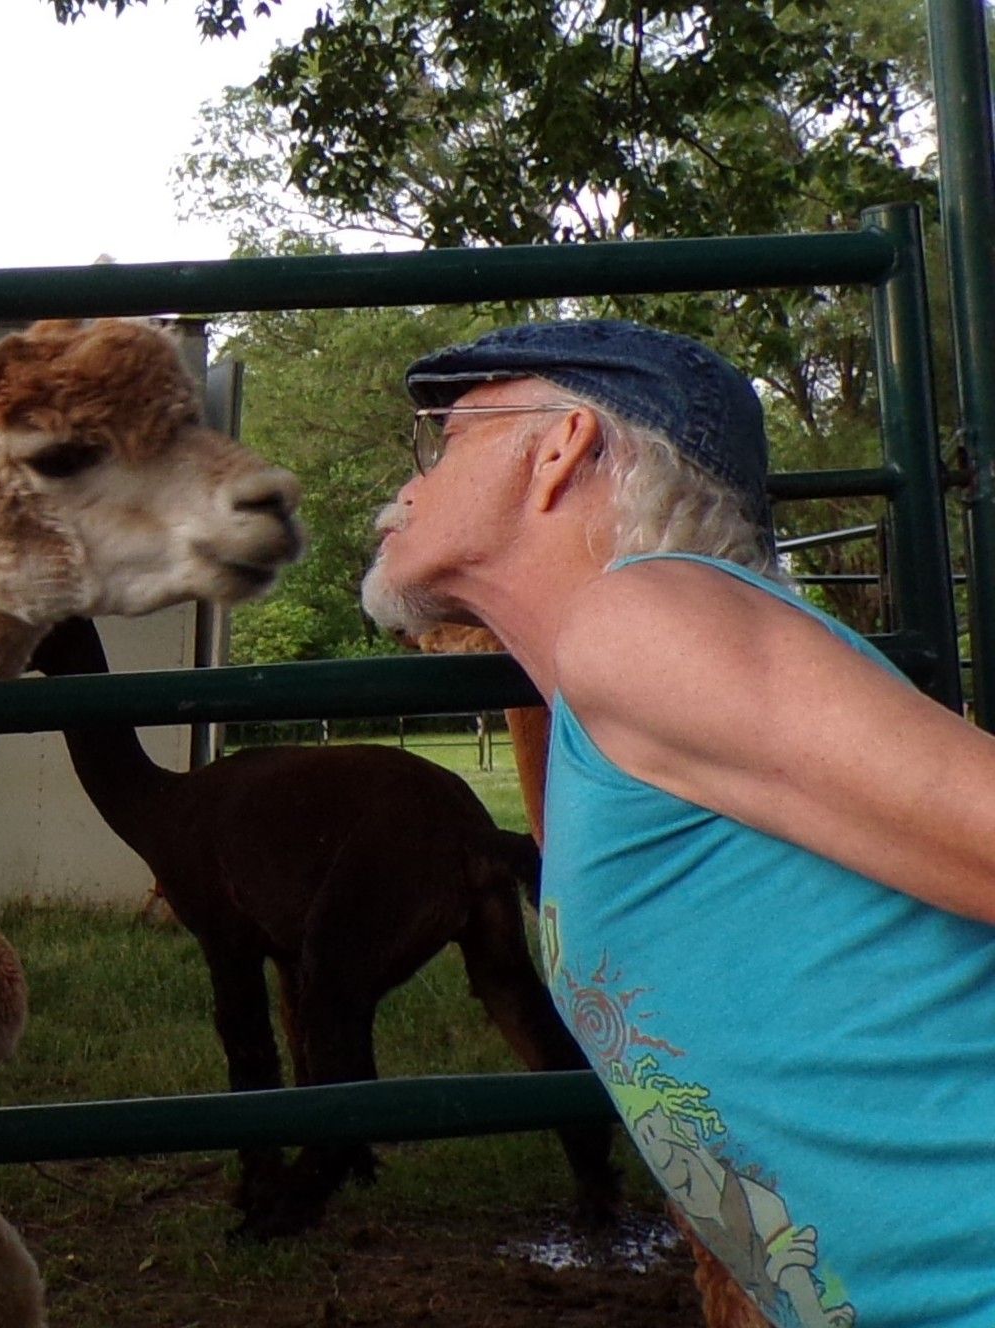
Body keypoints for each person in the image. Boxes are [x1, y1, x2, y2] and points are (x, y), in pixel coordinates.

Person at [359, 318, 995, 1328]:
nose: (407, 486)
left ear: (560, 443)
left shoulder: (644, 619)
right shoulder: (609, 699)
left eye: (447, 440)